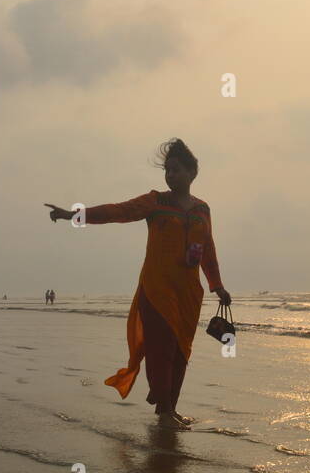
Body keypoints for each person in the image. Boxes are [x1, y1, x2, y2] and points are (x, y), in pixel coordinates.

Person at [44, 138, 232, 426]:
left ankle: (169, 408)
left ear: (193, 172)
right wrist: (73, 215)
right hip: (156, 289)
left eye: (177, 170)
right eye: (167, 170)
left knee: (181, 350)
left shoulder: (203, 210)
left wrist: (217, 285)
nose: (170, 175)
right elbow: (116, 211)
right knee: (163, 347)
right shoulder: (155, 202)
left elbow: (208, 249)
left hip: (188, 294)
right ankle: (165, 409)